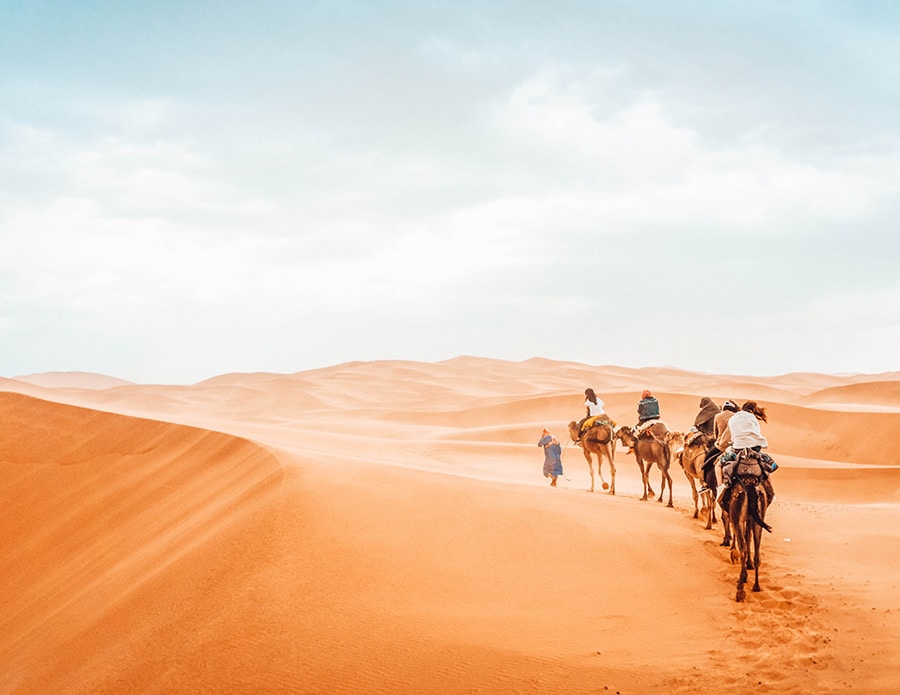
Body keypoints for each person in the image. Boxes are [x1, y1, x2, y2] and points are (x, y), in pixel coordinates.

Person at [714, 401, 777, 504]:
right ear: (752, 410)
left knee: (718, 465)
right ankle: (771, 492)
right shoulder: (753, 418)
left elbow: (734, 435)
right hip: (754, 450)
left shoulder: (734, 418)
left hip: (737, 450)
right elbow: (756, 434)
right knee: (769, 467)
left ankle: (721, 488)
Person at [698, 399, 739, 491]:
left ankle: (705, 483)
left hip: (721, 446)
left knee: (707, 460)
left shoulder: (718, 416)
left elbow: (716, 433)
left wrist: (719, 440)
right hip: (735, 445)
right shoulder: (736, 417)